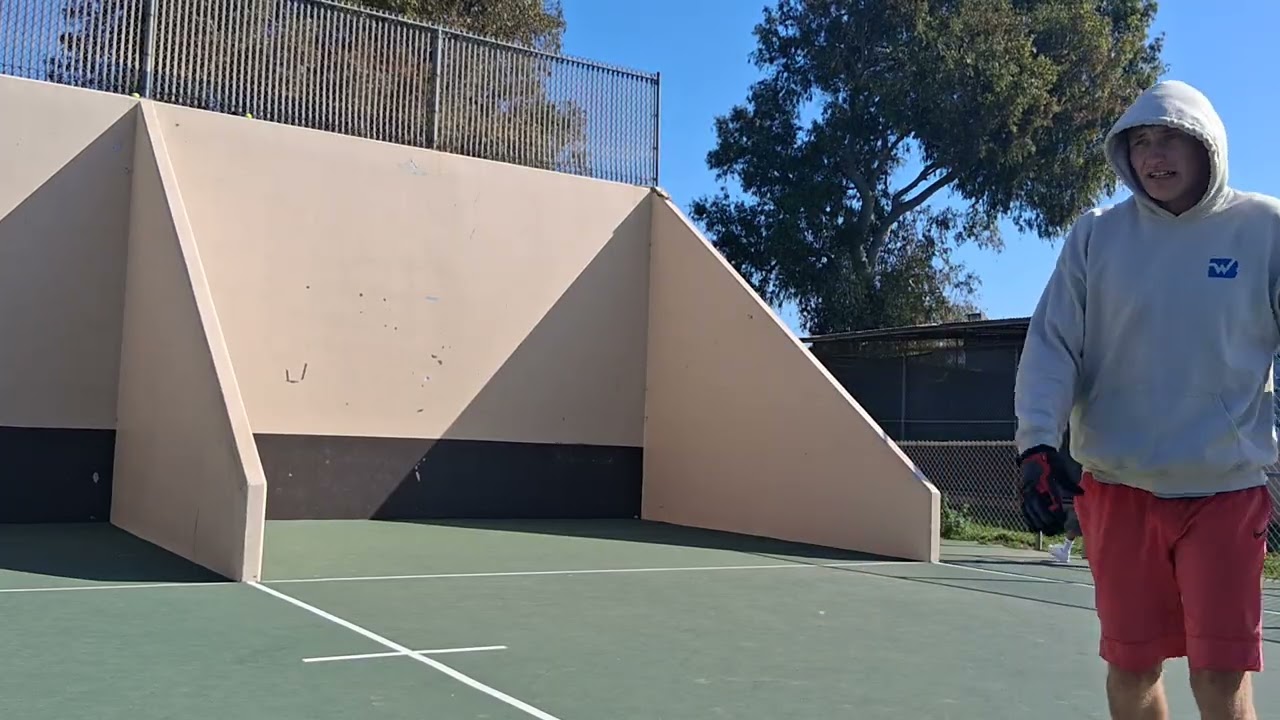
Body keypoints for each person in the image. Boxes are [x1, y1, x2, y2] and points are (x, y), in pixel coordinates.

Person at [1014, 79, 1277, 720]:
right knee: (1132, 671)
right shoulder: (1095, 237)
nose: (1153, 156)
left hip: (1227, 489)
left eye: (1169, 139)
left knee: (1219, 675)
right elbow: (1052, 345)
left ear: (1206, 144)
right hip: (1119, 489)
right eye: (1140, 142)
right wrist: (1037, 444)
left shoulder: (1266, 229)